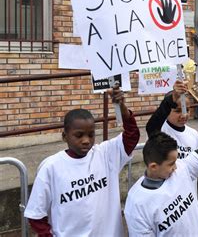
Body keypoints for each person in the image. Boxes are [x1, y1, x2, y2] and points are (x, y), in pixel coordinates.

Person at [24, 86, 139, 236]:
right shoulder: (51, 167)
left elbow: (132, 136)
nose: (86, 141)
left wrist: (122, 107)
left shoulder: (104, 154)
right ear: (65, 136)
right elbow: (36, 216)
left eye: (91, 135)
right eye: (79, 135)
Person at [124, 131, 198, 236]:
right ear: (153, 166)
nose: (176, 166)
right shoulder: (137, 204)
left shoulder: (180, 169)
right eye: (171, 163)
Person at [146, 80, 198, 160]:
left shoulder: (194, 134)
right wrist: (173, 98)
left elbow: (197, 161)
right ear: (167, 110)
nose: (184, 115)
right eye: (178, 111)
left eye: (187, 110)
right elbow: (152, 125)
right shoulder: (159, 130)